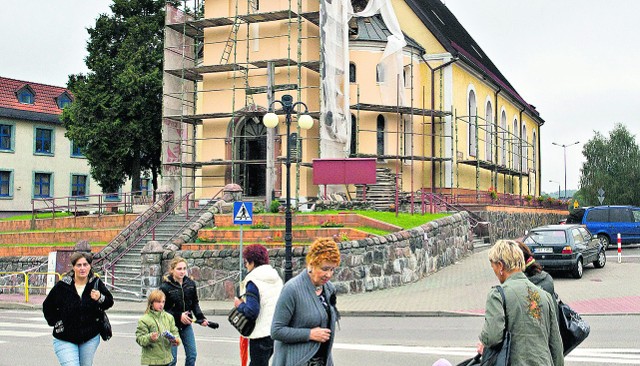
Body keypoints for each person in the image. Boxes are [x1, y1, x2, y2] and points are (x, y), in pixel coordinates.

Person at [478, 240, 564, 365]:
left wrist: (483, 341)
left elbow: (492, 336)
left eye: (494, 266)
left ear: (501, 266)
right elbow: (556, 346)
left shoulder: (498, 295)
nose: (495, 272)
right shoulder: (545, 296)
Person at [271, 238, 341, 366]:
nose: (329, 274)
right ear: (312, 263)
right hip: (296, 361)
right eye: (325, 268)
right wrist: (309, 334)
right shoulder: (292, 289)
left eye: (332, 269)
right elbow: (276, 330)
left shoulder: (329, 288)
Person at [43, 251, 114, 366]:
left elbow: (109, 302)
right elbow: (47, 306)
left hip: (89, 337)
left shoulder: (95, 283)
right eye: (79, 265)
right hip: (65, 337)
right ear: (73, 267)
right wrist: (56, 322)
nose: (82, 268)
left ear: (90, 266)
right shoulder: (63, 285)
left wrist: (100, 297)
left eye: (85, 265)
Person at [233, 244, 284, 366]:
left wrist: (239, 305)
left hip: (260, 333)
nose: (245, 265)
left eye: (246, 262)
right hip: (275, 331)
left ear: (252, 262)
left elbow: (252, 311)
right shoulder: (276, 277)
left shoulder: (253, 281)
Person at [159, 257, 209, 366]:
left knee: (192, 355)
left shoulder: (190, 284)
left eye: (184, 268)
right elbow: (161, 310)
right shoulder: (165, 287)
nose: (182, 271)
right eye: (179, 269)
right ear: (172, 270)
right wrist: (178, 316)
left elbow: (195, 303)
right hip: (170, 327)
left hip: (186, 326)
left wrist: (201, 318)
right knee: (172, 360)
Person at [136, 289, 181, 366]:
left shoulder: (169, 317)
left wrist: (175, 340)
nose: (161, 304)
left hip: (167, 359)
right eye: (158, 302)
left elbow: (175, 332)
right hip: (153, 360)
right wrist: (150, 337)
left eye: (163, 302)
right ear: (152, 303)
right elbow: (140, 339)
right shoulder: (144, 319)